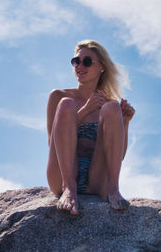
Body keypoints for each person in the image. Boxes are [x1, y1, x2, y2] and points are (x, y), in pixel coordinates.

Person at [46, 40, 135, 215]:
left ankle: (113, 189)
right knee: (66, 105)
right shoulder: (58, 95)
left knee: (112, 108)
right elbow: (52, 142)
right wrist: (86, 109)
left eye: (87, 61)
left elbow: (119, 156)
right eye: (76, 61)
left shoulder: (108, 104)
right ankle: (69, 189)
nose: (80, 66)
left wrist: (125, 122)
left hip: (96, 178)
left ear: (101, 67)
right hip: (62, 174)